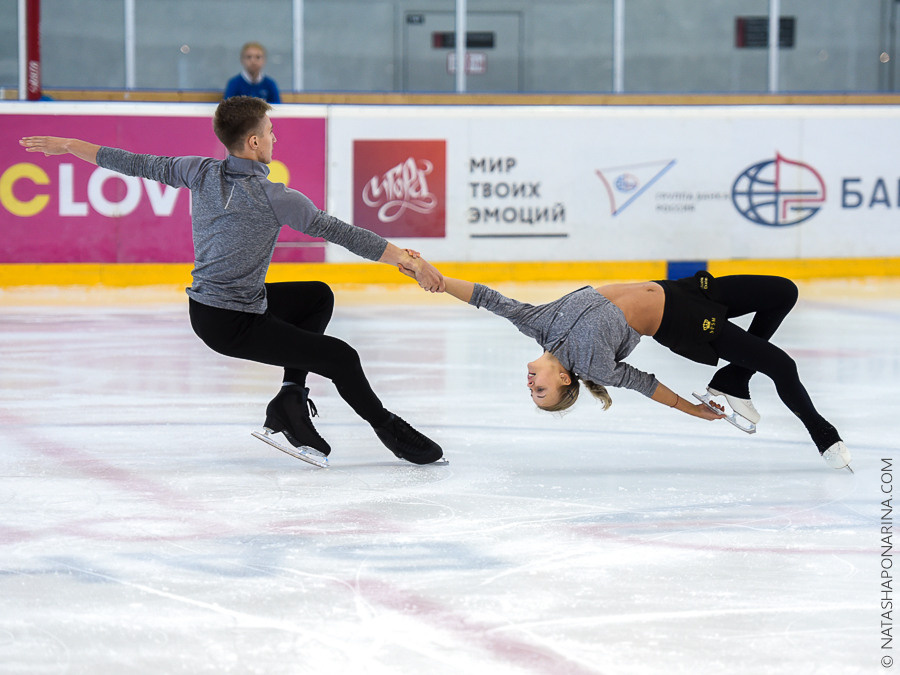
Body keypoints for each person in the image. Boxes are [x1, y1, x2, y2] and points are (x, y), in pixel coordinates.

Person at [20, 95, 446, 466]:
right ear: (254, 142)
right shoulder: (276, 197)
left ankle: (290, 400)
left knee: (315, 297)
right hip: (234, 321)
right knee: (342, 358)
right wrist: (408, 263)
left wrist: (70, 145)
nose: (275, 138)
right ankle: (389, 429)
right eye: (270, 132)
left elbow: (133, 163)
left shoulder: (197, 171)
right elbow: (343, 233)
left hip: (211, 311)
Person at [402, 267, 851, 471]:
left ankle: (733, 378)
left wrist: (436, 279)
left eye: (533, 391)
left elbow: (486, 297)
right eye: (539, 393)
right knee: (782, 366)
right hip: (686, 322)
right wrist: (696, 412)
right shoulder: (592, 364)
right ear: (564, 381)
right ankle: (822, 433)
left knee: (782, 292)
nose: (530, 385)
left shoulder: (536, 324)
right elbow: (647, 384)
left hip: (682, 290)